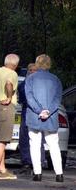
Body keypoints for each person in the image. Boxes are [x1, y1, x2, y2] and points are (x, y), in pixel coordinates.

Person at [24, 54, 64, 182]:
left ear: (37, 64)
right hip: (51, 117)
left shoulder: (30, 79)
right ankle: (59, 174)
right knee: (53, 144)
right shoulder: (56, 79)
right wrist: (48, 111)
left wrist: (39, 110)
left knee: (34, 144)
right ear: (49, 64)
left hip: (35, 116)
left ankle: (37, 173)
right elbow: (57, 98)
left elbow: (29, 97)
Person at [16, 63, 45, 175]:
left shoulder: (42, 85)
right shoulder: (23, 84)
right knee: (24, 139)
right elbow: (23, 98)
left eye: (34, 70)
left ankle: (39, 163)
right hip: (26, 111)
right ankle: (26, 163)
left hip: (38, 113)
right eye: (30, 70)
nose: (32, 72)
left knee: (38, 139)